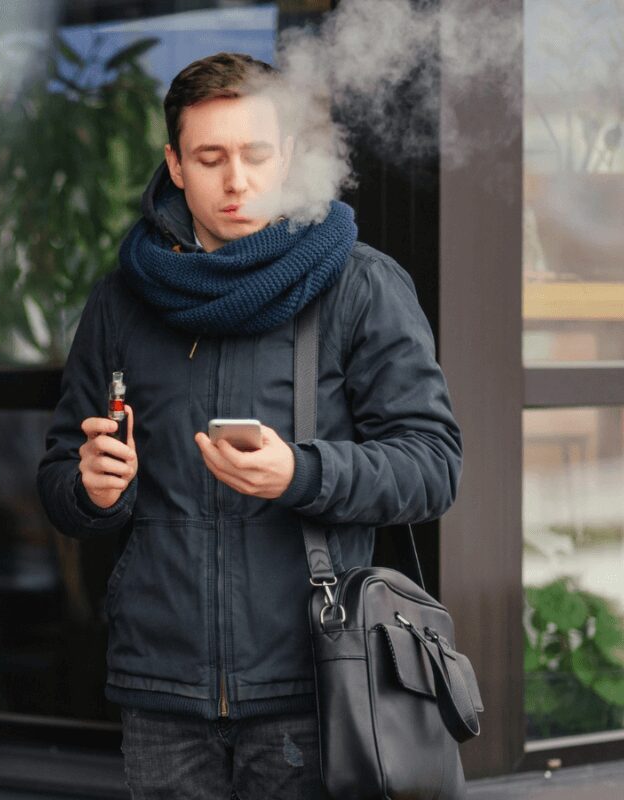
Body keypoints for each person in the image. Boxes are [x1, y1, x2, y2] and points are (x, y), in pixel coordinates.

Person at [37, 52, 462, 800]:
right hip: (161, 694)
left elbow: (433, 467)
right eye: (210, 158)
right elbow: (60, 476)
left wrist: (302, 473)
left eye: (255, 154)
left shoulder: (360, 284)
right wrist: (93, 490)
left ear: (289, 155)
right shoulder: (122, 299)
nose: (236, 180)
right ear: (175, 164)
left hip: (316, 683)